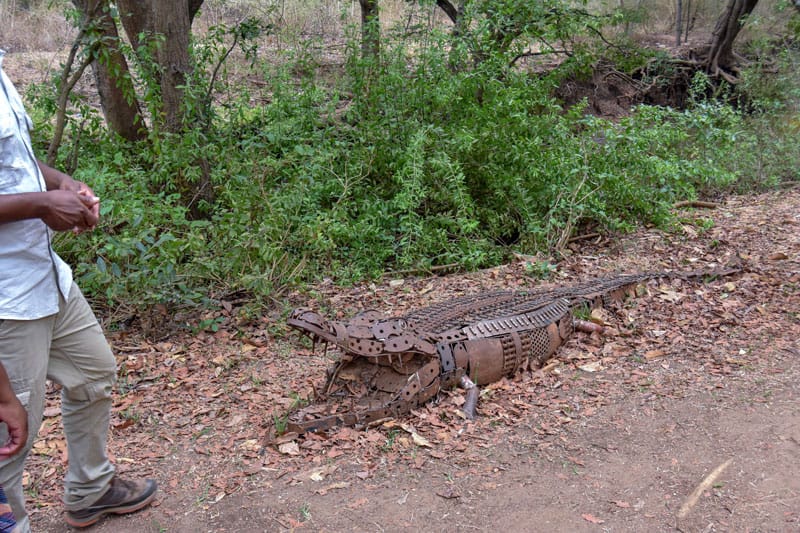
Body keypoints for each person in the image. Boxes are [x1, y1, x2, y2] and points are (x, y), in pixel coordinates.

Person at [0, 49, 157, 530]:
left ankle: (91, 489)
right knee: (10, 433)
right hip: (7, 301)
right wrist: (40, 204)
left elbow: (15, 162)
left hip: (44, 276)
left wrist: (62, 184)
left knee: (93, 373)